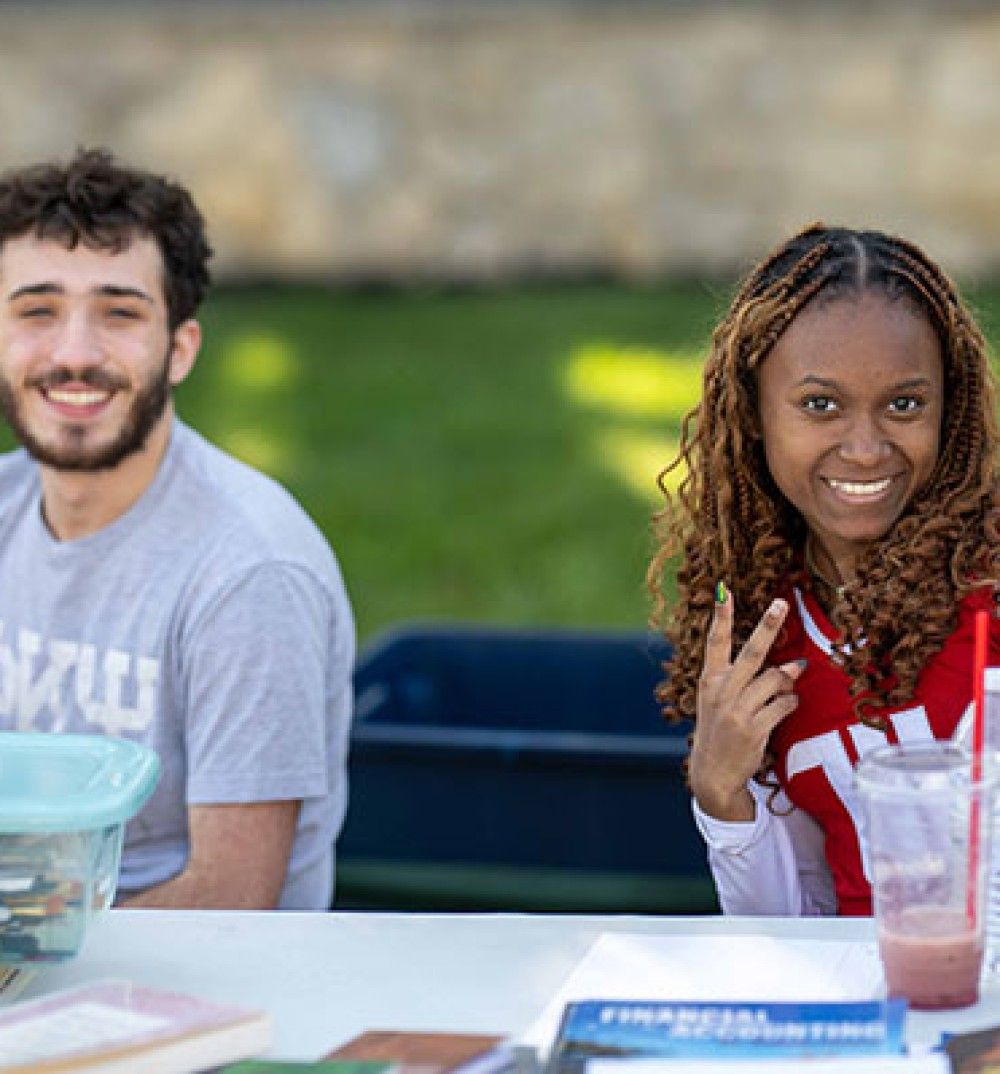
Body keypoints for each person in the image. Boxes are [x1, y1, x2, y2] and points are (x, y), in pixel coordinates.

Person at [0, 148, 354, 910]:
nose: (74, 355)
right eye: (36, 311)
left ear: (180, 349)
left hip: (195, 1002)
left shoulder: (250, 570)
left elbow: (229, 899)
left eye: (120, 313)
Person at [647, 223, 1000, 916]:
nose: (866, 448)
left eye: (904, 404)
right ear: (752, 414)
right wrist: (723, 795)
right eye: (820, 405)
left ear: (947, 408)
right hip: (864, 1010)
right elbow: (792, 929)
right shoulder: (762, 642)